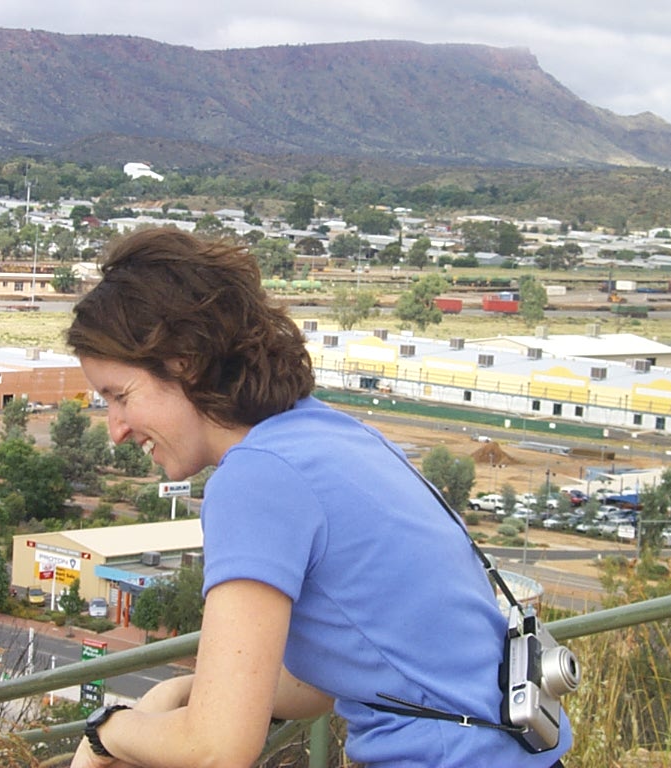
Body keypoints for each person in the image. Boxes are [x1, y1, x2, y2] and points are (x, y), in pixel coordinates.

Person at [66, 227, 573, 767]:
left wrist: (108, 732)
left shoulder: (256, 479)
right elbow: (324, 683)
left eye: (120, 396)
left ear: (182, 362)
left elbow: (215, 751)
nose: (115, 428)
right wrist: (189, 694)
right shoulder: (330, 434)